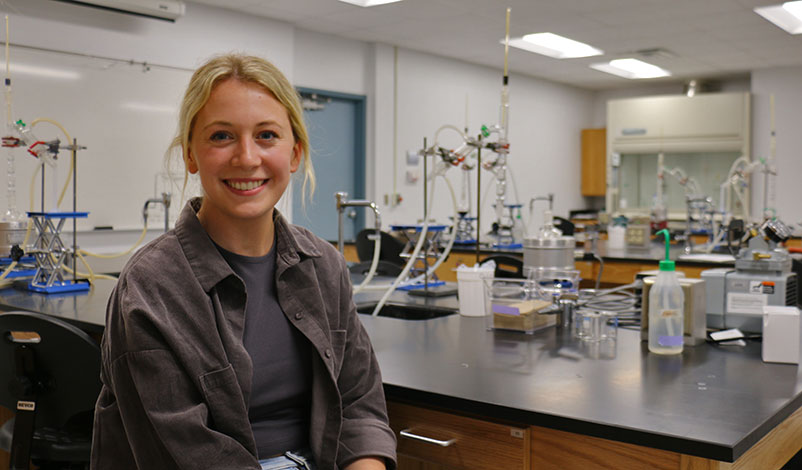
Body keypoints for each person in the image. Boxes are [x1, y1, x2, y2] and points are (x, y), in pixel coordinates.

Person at [90, 53, 397, 470]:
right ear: (191, 155)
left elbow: (359, 402)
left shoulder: (323, 265)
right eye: (221, 136)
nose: (247, 157)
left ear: (294, 154)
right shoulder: (151, 286)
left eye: (267, 135)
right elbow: (185, 454)